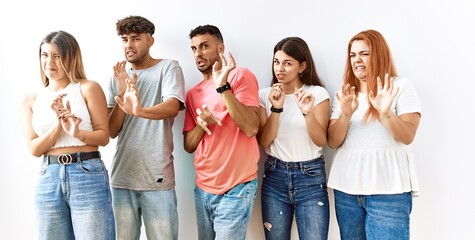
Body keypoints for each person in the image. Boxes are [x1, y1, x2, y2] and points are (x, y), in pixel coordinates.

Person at [19, 30, 115, 240]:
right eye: (45, 55)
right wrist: (59, 125)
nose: (49, 61)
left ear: (71, 57)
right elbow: (35, 149)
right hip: (48, 177)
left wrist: (77, 132)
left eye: (57, 55)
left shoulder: (88, 88)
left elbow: (103, 136)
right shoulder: (30, 99)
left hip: (86, 172)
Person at [327, 29, 422, 240]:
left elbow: (407, 135)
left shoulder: (400, 87)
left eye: (364, 54)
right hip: (347, 190)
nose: (357, 60)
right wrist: (345, 113)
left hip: (389, 191)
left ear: (378, 54)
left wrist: (385, 112)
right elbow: (333, 141)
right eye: (353, 55)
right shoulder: (346, 93)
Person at [107, 15, 185, 240]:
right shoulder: (117, 76)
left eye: (135, 38)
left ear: (150, 40)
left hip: (157, 177)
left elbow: (172, 106)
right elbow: (112, 131)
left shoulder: (168, 67)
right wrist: (122, 91)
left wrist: (140, 110)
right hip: (122, 178)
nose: (129, 45)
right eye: (124, 39)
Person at [183, 24, 260, 239]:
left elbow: (251, 127)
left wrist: (223, 87)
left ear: (221, 47)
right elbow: (188, 145)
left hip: (236, 189)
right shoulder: (192, 94)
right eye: (194, 48)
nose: (198, 53)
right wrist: (201, 125)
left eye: (204, 46)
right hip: (203, 189)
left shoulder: (240, 76)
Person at [257, 37, 330, 240]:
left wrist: (307, 112)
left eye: (287, 63)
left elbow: (320, 140)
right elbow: (264, 141)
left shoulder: (317, 94)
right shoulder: (264, 95)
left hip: (310, 178)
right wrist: (277, 108)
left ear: (302, 66)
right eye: (276, 62)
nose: (280, 68)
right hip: (275, 176)